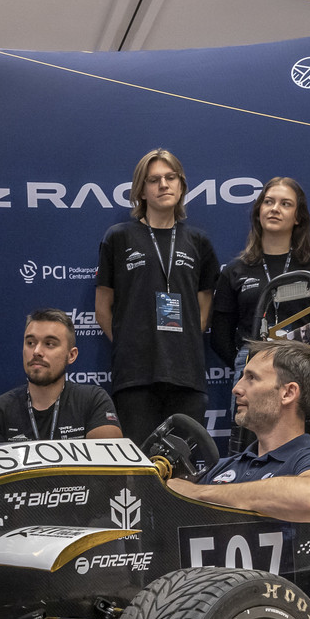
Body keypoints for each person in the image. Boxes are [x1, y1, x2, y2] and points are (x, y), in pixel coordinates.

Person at [96, 148, 219, 443]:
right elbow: (102, 309)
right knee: (142, 463)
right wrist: (131, 344)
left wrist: (181, 343)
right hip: (135, 376)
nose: (164, 185)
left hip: (186, 375)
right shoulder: (118, 237)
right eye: (154, 180)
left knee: (183, 463)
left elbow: (204, 308)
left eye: (170, 177)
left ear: (181, 185)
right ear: (141, 191)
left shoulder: (199, 241)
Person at [167, 341, 310, 523]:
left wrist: (199, 493)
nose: (236, 389)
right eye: (242, 377)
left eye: (252, 378)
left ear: (288, 393)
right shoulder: (222, 467)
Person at [210, 177, 310, 373]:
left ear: (298, 217)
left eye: (285, 204)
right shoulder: (235, 270)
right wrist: (245, 364)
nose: (274, 209)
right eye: (268, 202)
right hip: (255, 367)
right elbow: (220, 337)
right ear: (259, 212)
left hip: (309, 367)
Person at [0, 309, 122, 442]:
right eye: (30, 343)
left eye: (49, 344)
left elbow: (107, 461)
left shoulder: (93, 401)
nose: (36, 351)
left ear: (71, 355)